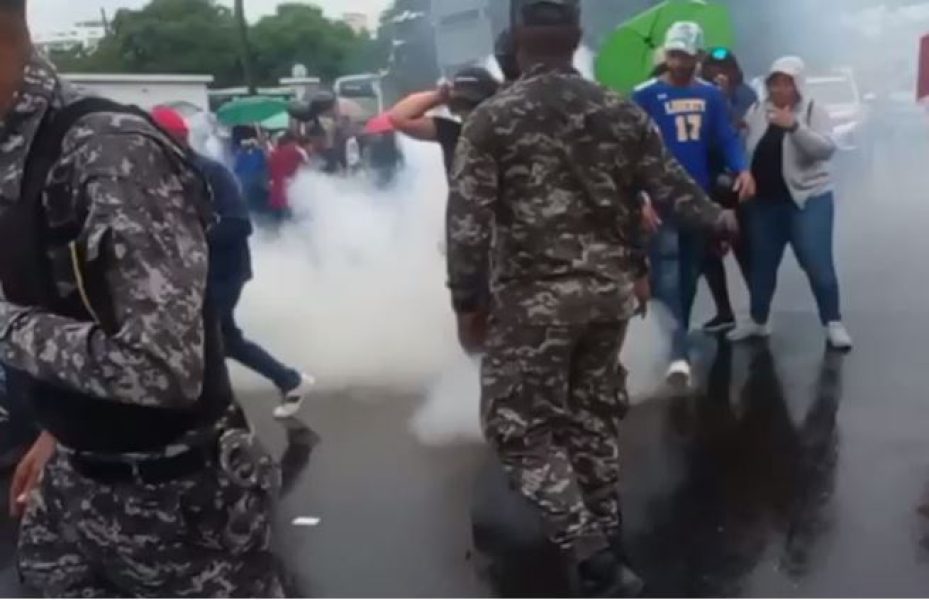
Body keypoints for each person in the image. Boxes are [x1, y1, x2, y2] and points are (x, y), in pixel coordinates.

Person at [447, 0, 736, 594]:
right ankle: (608, 540)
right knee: (592, 420)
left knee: (519, 432)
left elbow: (468, 224)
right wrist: (721, 222)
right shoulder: (620, 110)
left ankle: (594, 554)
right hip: (607, 297)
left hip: (532, 303)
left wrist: (466, 304)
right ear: (576, 36)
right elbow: (667, 190)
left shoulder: (491, 120)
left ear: (519, 40)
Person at [0, 2, 281, 595]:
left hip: (175, 505)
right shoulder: (14, 145)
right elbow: (75, 298)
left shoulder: (107, 149)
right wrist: (60, 425)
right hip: (75, 478)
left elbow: (162, 369)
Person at [152, 108, 316, 420]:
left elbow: (239, 224)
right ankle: (288, 381)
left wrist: (189, 237)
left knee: (206, 340)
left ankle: (217, 411)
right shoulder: (165, 176)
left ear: (173, 139)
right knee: (222, 339)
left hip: (224, 274)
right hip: (196, 276)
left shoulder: (212, 173)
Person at [633, 22, 756, 386]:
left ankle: (674, 339)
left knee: (688, 277)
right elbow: (629, 152)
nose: (679, 62)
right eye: (673, 54)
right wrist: (639, 197)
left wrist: (742, 169)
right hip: (659, 200)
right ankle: (677, 353)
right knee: (667, 273)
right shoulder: (644, 95)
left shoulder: (710, 96)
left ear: (698, 57)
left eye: (686, 55)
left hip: (696, 199)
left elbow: (725, 138)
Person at [728, 56, 853, 351]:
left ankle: (833, 322)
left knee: (816, 262)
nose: (780, 88)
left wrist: (794, 126)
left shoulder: (812, 110)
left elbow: (825, 149)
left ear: (798, 85)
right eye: (775, 82)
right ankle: (758, 320)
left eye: (787, 82)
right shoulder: (757, 110)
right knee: (762, 263)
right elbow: (745, 146)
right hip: (765, 203)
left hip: (808, 198)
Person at [388, 66, 500, 177]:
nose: (465, 110)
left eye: (470, 103)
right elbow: (399, 117)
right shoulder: (453, 133)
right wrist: (438, 96)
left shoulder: (505, 129)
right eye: (459, 103)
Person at [267, 130, 306, 222]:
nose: (296, 145)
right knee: (291, 225)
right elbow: (304, 168)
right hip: (288, 196)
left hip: (275, 197)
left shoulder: (273, 154)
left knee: (277, 226)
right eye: (295, 143)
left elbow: (270, 175)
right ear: (291, 142)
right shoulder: (296, 153)